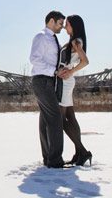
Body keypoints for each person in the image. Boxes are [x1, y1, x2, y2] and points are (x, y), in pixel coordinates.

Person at [29, 10, 66, 168]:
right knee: (55, 118)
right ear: (51, 21)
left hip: (48, 81)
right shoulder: (41, 37)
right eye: (60, 23)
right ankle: (55, 161)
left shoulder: (53, 39)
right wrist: (54, 71)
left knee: (45, 120)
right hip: (42, 81)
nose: (62, 27)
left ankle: (48, 159)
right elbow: (34, 59)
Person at [56, 14, 92, 166]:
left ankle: (83, 152)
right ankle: (79, 154)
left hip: (66, 82)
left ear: (74, 26)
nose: (65, 26)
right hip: (67, 81)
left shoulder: (76, 41)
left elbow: (85, 61)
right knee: (70, 117)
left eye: (68, 24)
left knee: (62, 120)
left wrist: (70, 71)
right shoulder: (75, 41)